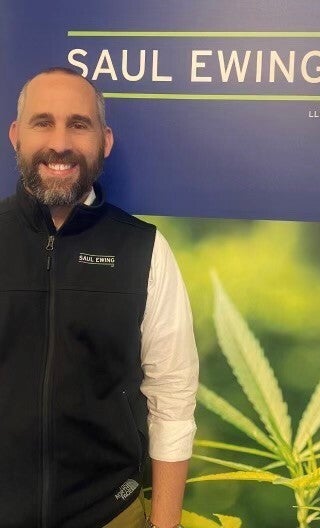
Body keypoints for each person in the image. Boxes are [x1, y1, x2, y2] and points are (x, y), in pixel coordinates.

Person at [0, 67, 198, 528]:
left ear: (104, 141)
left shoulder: (144, 249)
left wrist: (163, 525)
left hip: (111, 514)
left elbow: (172, 397)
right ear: (16, 135)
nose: (61, 143)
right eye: (42, 122)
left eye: (79, 124)